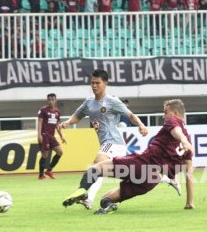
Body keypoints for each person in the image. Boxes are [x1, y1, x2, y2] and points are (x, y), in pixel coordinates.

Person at [61, 99, 195, 214]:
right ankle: (108, 206)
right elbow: (189, 175)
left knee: (94, 169)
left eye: (166, 112)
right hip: (152, 180)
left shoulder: (173, 124)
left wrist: (183, 140)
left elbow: (177, 131)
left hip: (142, 165)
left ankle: (82, 191)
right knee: (105, 200)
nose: (163, 116)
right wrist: (189, 202)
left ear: (175, 114)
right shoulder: (188, 141)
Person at [57, 69, 148, 210]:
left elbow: (130, 115)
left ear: (105, 83)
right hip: (111, 145)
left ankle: (87, 197)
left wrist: (141, 125)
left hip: (113, 142)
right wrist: (67, 122)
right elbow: (78, 115)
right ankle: (165, 178)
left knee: (96, 164)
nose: (94, 86)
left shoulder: (112, 101)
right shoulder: (89, 102)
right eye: (92, 83)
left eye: (97, 83)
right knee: (125, 174)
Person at [37, 93, 66, 180]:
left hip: (51, 136)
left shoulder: (57, 111)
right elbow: (39, 122)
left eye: (52, 99)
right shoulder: (43, 110)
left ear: (55, 100)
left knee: (60, 152)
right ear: (47, 100)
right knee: (45, 155)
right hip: (44, 135)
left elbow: (57, 125)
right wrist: (39, 135)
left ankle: (49, 170)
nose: (51, 101)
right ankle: (41, 175)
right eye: (49, 99)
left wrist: (61, 136)